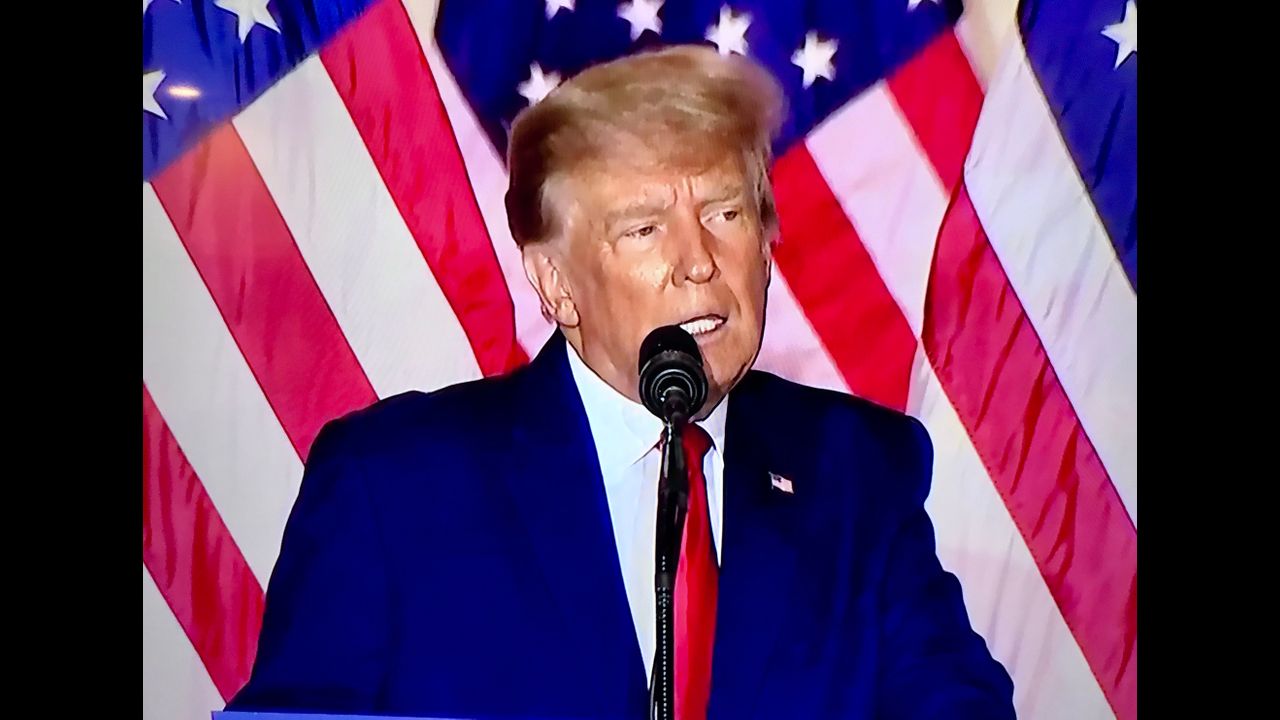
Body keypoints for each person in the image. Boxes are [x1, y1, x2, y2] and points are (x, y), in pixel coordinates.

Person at [228, 45, 1015, 719]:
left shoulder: (856, 467)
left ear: (767, 245)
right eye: (644, 228)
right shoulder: (393, 486)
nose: (698, 261)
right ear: (556, 284)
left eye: (725, 213)